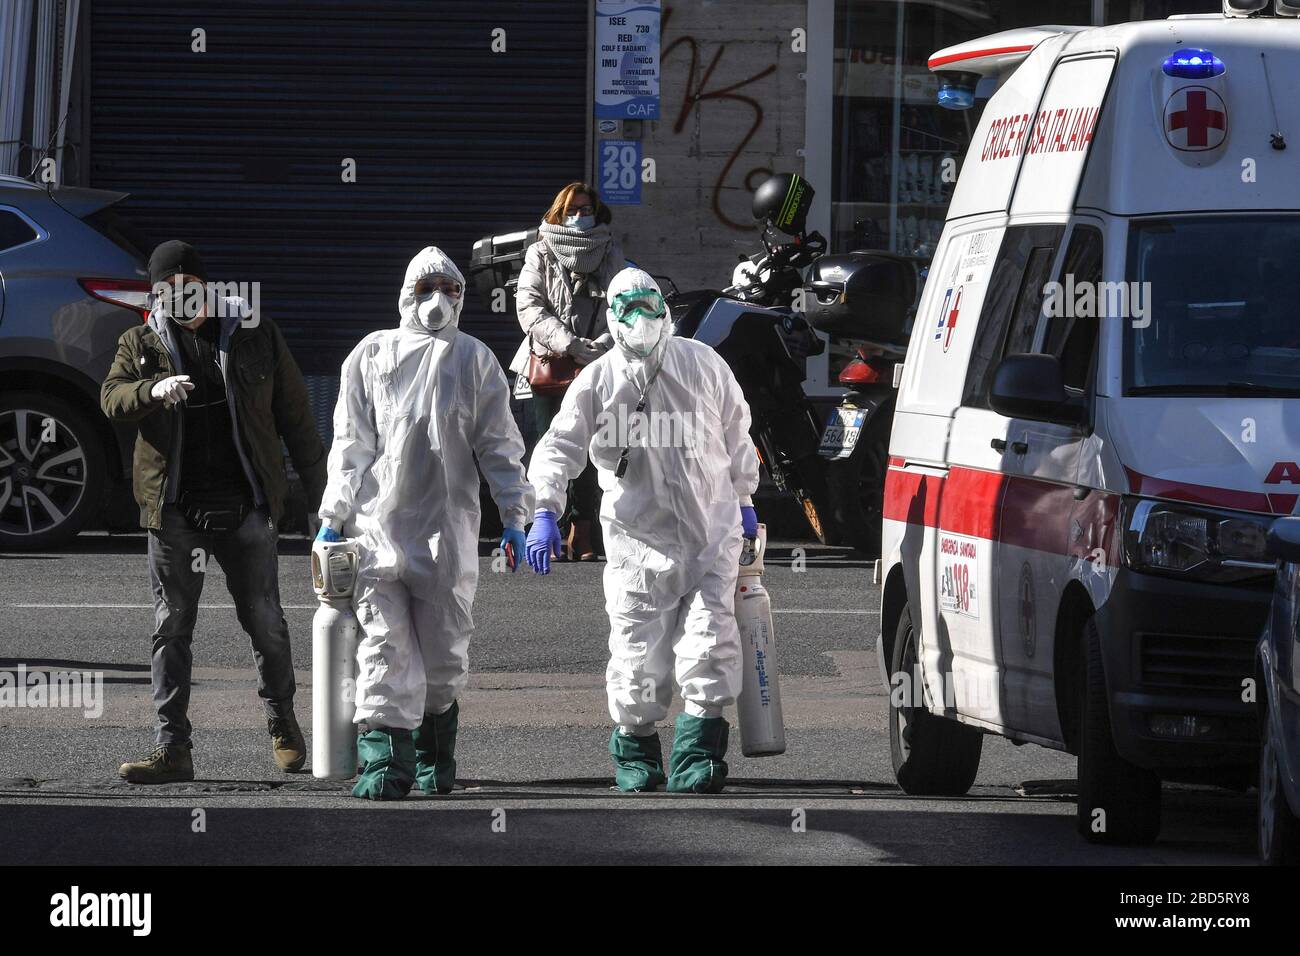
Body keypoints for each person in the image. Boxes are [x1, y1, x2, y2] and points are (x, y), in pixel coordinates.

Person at [525, 268, 760, 794]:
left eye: (650, 302)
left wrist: (745, 497)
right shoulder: (598, 379)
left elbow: (736, 430)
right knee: (636, 652)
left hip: (709, 532)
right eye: (629, 306)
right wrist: (544, 510)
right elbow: (559, 447)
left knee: (711, 644)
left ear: (664, 306)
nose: (643, 316)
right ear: (613, 314)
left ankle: (699, 756)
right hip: (636, 542)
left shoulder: (702, 363)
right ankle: (636, 753)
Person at [102, 240, 327, 784]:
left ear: (207, 286)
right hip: (174, 506)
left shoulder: (255, 334)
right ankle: (173, 747)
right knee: (171, 627)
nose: (178, 296)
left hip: (245, 504)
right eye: (166, 289)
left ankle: (282, 722)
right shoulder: (140, 340)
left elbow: (297, 420)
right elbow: (112, 397)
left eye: (188, 286)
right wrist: (153, 388)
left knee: (266, 622)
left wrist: (323, 506)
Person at [317, 246, 533, 801]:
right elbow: (351, 444)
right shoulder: (371, 354)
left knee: (442, 659)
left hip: (447, 536)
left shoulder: (475, 359)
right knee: (383, 649)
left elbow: (501, 447)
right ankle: (385, 761)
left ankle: (437, 756)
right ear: (406, 291)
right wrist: (333, 516)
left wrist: (516, 516)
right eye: (427, 286)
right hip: (377, 530)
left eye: (451, 288)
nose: (438, 299)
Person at [510, 182, 625, 561]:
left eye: (586, 209)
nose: (579, 216)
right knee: (550, 446)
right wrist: (570, 345)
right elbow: (529, 307)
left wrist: (604, 346)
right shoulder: (540, 251)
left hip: (599, 364)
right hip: (551, 364)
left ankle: (583, 528)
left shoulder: (609, 250)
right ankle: (551, 525)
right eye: (572, 210)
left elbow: (622, 302)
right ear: (559, 213)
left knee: (593, 447)